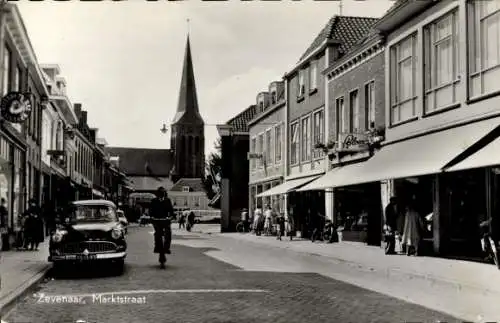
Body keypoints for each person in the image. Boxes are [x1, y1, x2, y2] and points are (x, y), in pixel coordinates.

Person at [150, 187, 174, 259]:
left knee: (168, 233)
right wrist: (151, 217)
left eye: (163, 193)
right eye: (160, 194)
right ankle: (157, 247)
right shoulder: (154, 201)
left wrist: (171, 216)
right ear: (158, 194)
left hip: (165, 220)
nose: (161, 195)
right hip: (156, 220)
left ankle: (167, 248)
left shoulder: (167, 200)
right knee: (157, 233)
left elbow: (171, 210)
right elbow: (151, 211)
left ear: (164, 194)